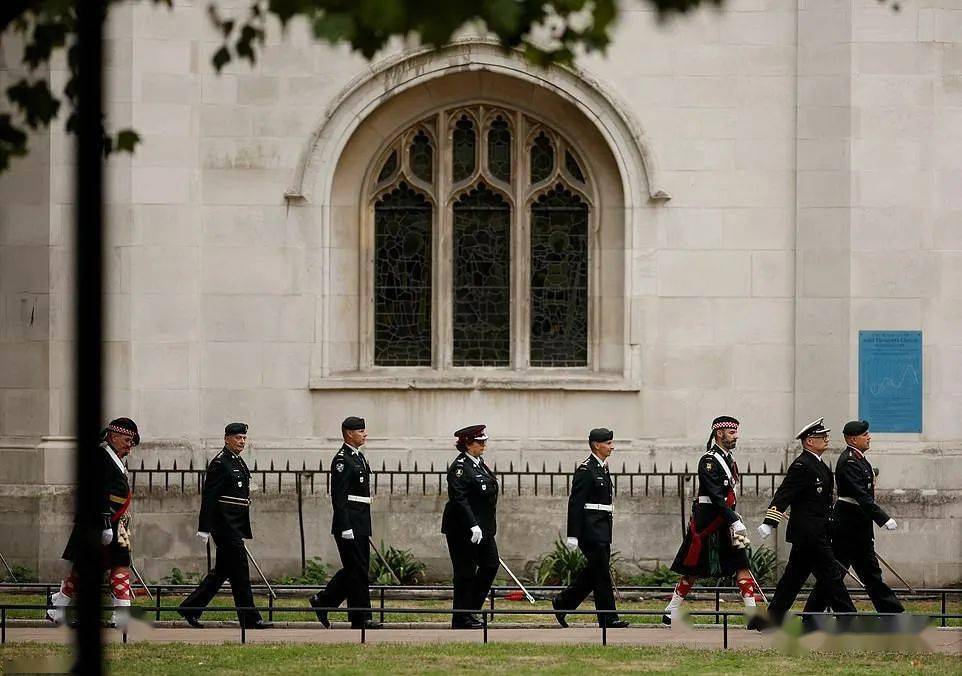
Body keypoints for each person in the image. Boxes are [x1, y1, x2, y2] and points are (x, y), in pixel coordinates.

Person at [663, 416, 767, 629]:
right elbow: (716, 496)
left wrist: (734, 519)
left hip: (728, 522)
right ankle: (671, 610)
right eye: (731, 432)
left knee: (742, 564)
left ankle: (752, 613)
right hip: (709, 523)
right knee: (693, 570)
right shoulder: (709, 461)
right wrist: (734, 520)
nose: (735, 436)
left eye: (736, 432)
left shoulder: (729, 459)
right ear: (719, 434)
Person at [757, 417, 856, 628]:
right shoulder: (802, 465)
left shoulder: (818, 464)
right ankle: (848, 618)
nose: (826, 439)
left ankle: (771, 619)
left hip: (815, 532)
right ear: (809, 441)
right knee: (831, 574)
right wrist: (769, 521)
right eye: (821, 437)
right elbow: (784, 494)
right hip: (809, 533)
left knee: (793, 578)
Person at [802, 419, 903, 616]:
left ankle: (893, 614)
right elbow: (860, 495)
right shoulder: (848, 461)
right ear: (853, 439)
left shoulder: (859, 459)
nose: (869, 437)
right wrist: (883, 518)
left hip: (858, 525)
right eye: (865, 435)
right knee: (838, 574)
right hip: (847, 526)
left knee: (865, 574)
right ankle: (811, 615)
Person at [48, 417, 140, 628]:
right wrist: (106, 521)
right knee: (85, 567)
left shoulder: (113, 457)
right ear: (114, 437)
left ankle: (120, 612)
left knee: (118, 564)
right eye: (127, 440)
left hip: (113, 523)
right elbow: (96, 491)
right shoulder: (100, 457)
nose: (130, 446)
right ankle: (59, 607)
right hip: (98, 522)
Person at [178, 423, 272, 629]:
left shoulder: (237, 461)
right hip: (225, 527)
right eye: (238, 438)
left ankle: (190, 608)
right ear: (226, 439)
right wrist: (204, 527)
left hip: (235, 524)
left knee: (221, 573)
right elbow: (209, 497)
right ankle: (250, 618)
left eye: (244, 438)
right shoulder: (220, 463)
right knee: (240, 573)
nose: (242, 441)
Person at [551, 428, 629, 629]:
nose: (612, 447)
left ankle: (562, 603)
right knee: (601, 574)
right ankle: (608, 618)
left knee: (593, 573)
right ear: (596, 445)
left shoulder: (602, 467)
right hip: (590, 530)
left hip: (602, 528)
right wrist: (573, 535)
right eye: (608, 443)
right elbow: (576, 503)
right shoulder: (586, 470)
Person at [309, 416, 382, 630]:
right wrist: (346, 525)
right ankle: (361, 618)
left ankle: (323, 601)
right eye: (360, 431)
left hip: (360, 521)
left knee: (356, 569)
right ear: (349, 433)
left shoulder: (357, 457)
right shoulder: (342, 460)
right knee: (357, 570)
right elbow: (339, 497)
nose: (365, 434)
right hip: (349, 523)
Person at [441, 424, 500, 629]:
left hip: (483, 528)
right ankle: (461, 618)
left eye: (484, 441)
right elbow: (459, 499)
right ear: (467, 444)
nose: (484, 444)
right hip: (462, 529)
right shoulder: (460, 468)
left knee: (491, 565)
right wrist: (473, 525)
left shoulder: (478, 463)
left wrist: (483, 526)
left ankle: (470, 608)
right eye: (479, 442)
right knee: (465, 573)